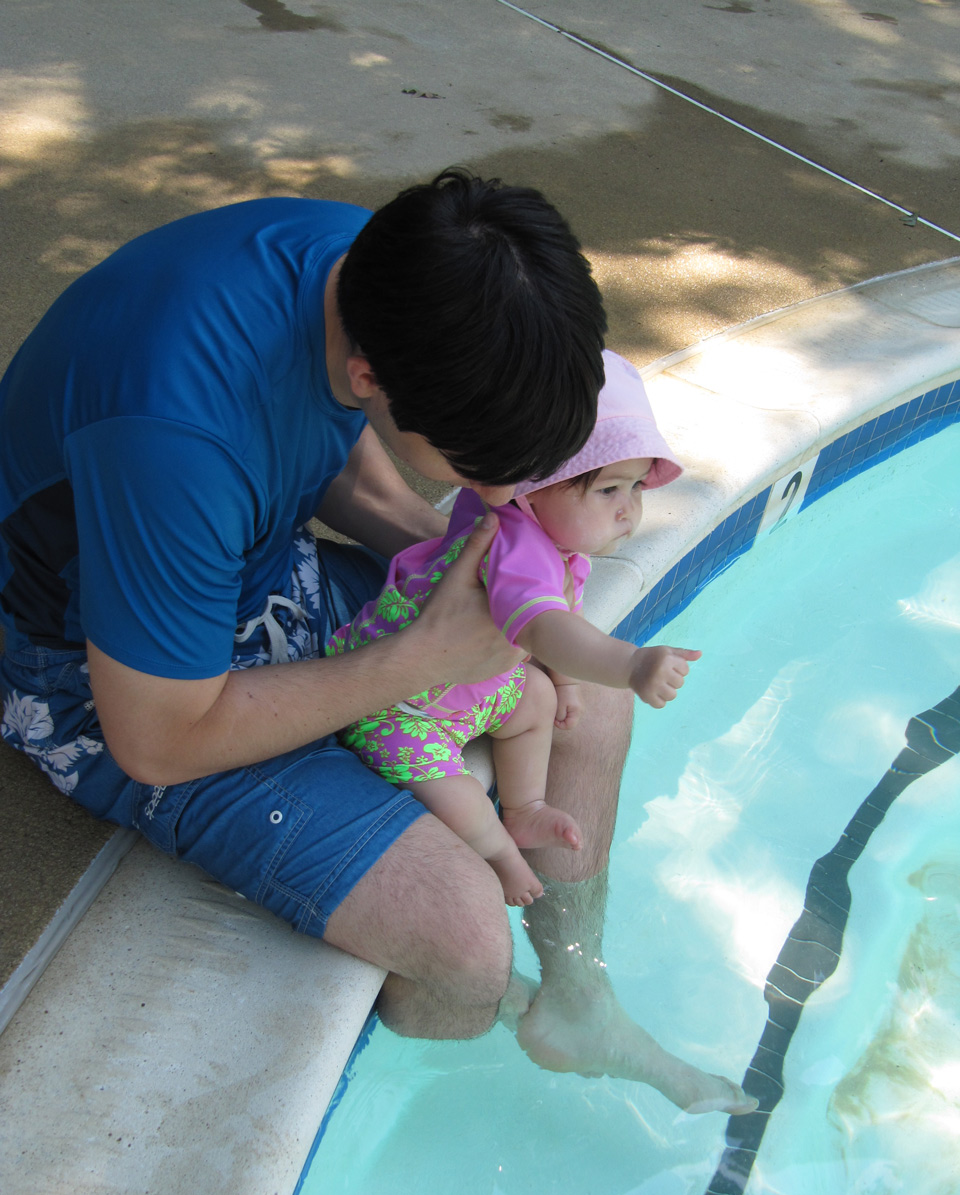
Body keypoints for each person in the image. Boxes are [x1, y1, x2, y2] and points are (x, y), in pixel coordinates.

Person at [0, 169, 756, 1115]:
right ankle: (456, 1070)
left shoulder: (379, 271)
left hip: (253, 572)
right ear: (371, 379)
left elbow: (349, 477)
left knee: (591, 694)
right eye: (491, 470)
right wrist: (417, 659)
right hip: (92, 669)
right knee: (463, 941)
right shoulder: (172, 435)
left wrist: (485, 591)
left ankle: (577, 1000)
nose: (510, 499)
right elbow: (154, 737)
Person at [326, 351, 697, 913]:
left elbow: (562, 620)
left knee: (538, 697)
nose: (628, 511)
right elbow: (548, 628)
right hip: (397, 706)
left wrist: (565, 684)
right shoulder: (516, 543)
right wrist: (631, 664)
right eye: (607, 490)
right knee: (459, 796)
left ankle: (524, 810)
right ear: (532, 489)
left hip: (466, 687)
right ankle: (501, 851)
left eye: (636, 488)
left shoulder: (558, 541)